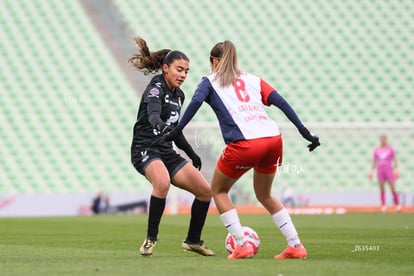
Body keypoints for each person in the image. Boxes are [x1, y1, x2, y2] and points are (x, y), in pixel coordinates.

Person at [158, 40, 320, 259]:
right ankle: (295, 245)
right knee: (264, 194)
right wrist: (304, 131)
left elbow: (195, 102)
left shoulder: (209, 81)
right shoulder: (252, 79)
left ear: (214, 61)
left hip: (246, 144)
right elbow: (281, 102)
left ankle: (242, 244)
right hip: (273, 140)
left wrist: (178, 129)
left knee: (218, 191)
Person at [128, 37, 215, 257]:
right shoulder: (156, 88)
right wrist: (158, 124)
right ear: (165, 68)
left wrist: (191, 153)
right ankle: (150, 238)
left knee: (205, 192)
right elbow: (154, 113)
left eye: (186, 71)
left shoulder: (179, 96)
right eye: (179, 69)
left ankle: (193, 240)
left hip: (166, 151)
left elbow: (175, 131)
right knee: (163, 182)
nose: (183, 75)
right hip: (145, 149)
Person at [369, 135, 400, 212]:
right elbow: (374, 161)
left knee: (392, 187)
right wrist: (371, 171)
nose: (383, 141)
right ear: (380, 140)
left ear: (386, 140)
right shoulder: (376, 150)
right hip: (380, 170)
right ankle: (383, 206)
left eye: (384, 139)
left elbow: (395, 160)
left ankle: (398, 205)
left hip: (388, 170)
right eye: (381, 139)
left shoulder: (390, 149)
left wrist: (396, 170)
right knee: (382, 188)